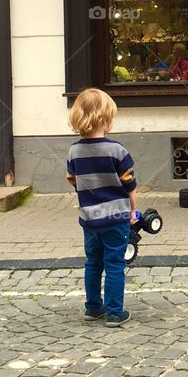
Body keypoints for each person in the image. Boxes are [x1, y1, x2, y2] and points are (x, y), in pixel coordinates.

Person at [66, 88, 138, 326]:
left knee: (92, 262)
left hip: (89, 218)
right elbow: (130, 185)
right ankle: (115, 312)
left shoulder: (74, 151)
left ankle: (93, 307)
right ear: (106, 119)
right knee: (115, 263)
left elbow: (73, 180)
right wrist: (132, 212)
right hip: (116, 217)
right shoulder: (117, 150)